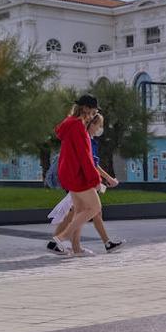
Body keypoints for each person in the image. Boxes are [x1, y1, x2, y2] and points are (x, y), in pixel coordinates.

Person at [48, 112, 124, 253]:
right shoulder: (85, 137)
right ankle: (59, 239)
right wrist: (103, 180)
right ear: (92, 123)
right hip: (81, 180)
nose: (100, 128)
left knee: (80, 212)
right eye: (99, 125)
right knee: (91, 210)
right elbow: (90, 163)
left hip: (74, 178)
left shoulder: (79, 133)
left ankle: (74, 246)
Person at [47, 95, 103, 257]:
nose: (93, 115)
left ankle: (77, 248)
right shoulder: (78, 127)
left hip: (68, 173)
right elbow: (85, 157)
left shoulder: (69, 125)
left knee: (80, 210)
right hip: (77, 175)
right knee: (94, 207)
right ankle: (60, 238)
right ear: (85, 109)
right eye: (93, 111)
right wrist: (95, 180)